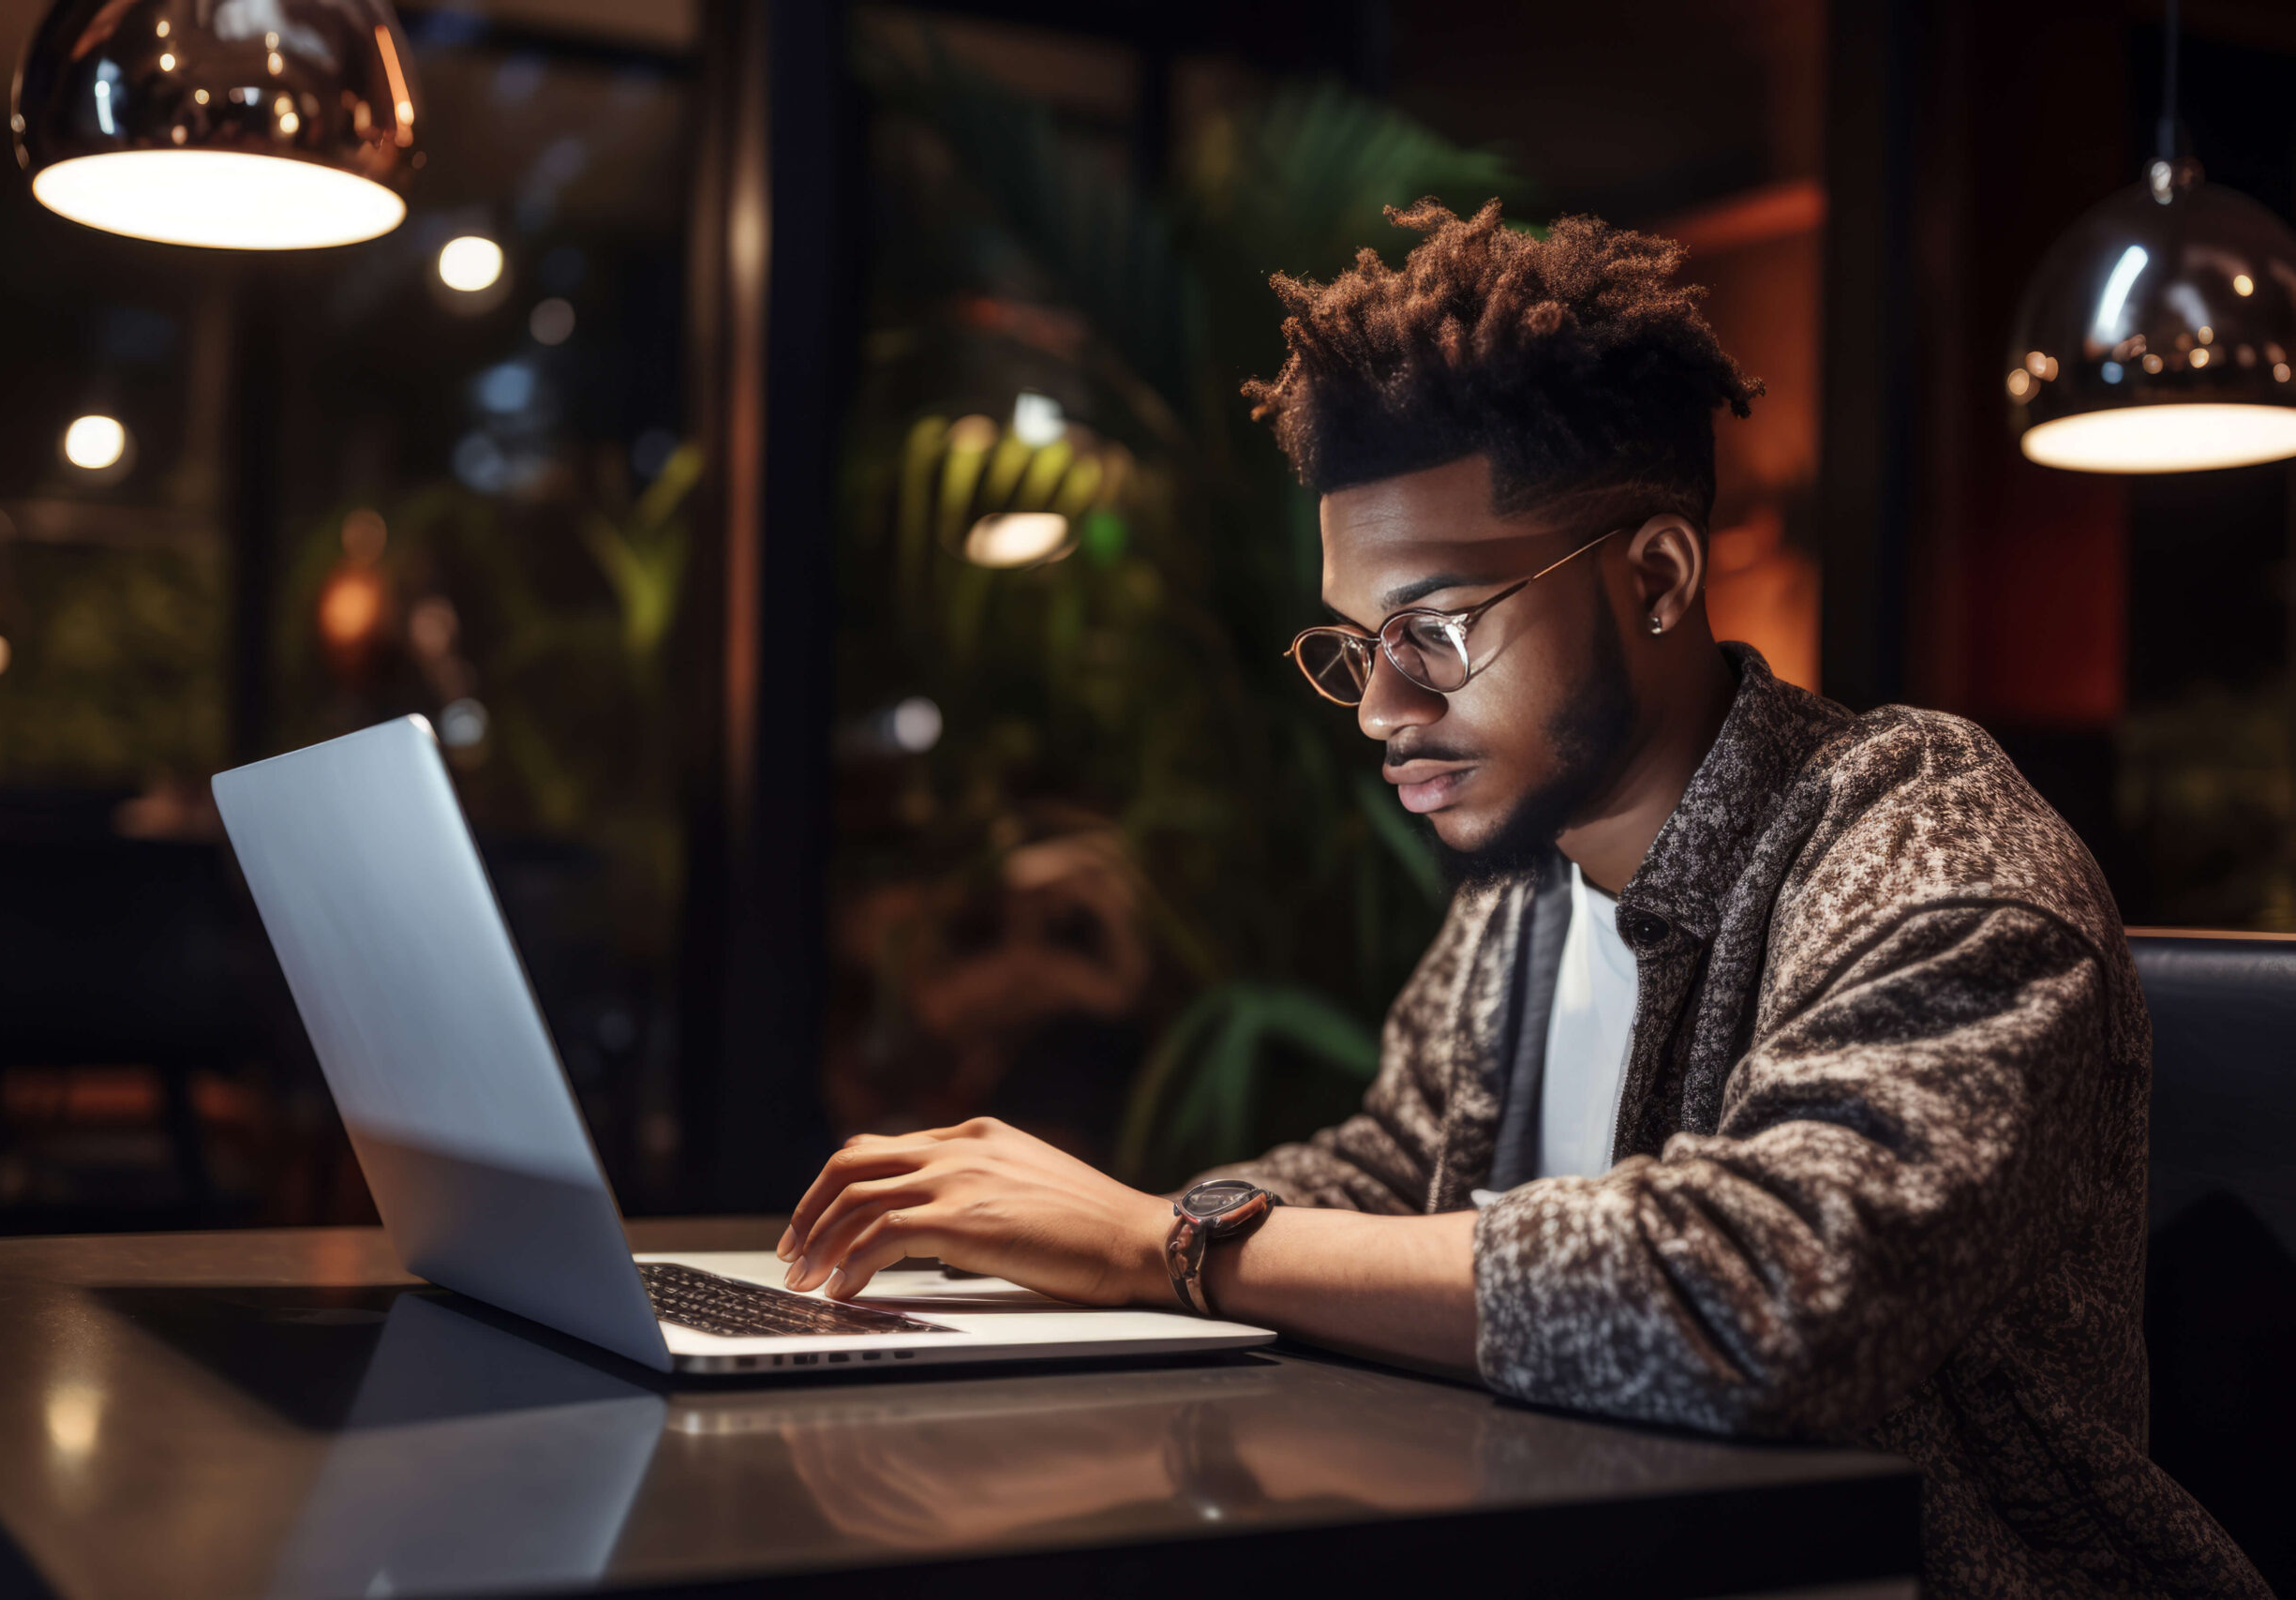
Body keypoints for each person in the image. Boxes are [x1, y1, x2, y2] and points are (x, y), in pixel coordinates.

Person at [776, 201, 2266, 1598]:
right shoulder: (1525, 899)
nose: (1379, 708)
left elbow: (1775, 1297)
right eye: (1359, 642)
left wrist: (1170, 1243)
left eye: (1434, 627)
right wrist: (1026, 1262)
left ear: (1661, 578)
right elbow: (1380, 1177)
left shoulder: (1923, 839)